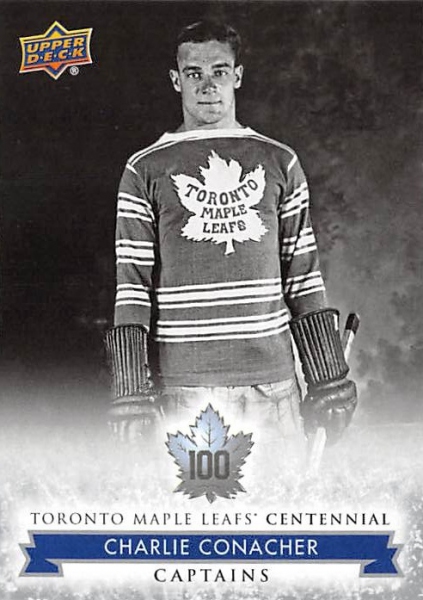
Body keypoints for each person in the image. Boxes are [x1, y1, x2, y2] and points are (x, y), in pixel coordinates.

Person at [105, 20, 357, 457]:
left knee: (282, 502)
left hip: (274, 387)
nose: (207, 85)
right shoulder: (143, 169)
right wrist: (129, 390)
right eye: (194, 73)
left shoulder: (280, 161)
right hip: (186, 391)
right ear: (176, 80)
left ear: (237, 76)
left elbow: (303, 277)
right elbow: (133, 287)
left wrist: (328, 376)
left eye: (219, 71)